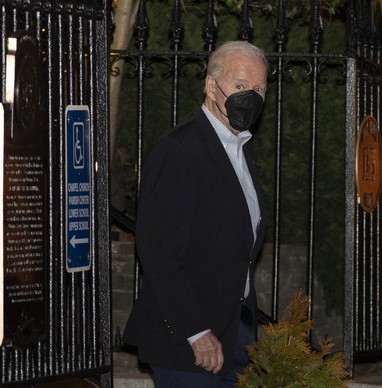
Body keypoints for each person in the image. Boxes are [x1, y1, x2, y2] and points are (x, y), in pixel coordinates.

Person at [123, 40, 268, 388]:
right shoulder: (179, 150)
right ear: (210, 86)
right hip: (190, 344)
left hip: (237, 335)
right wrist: (195, 331)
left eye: (259, 89)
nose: (250, 96)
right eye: (239, 86)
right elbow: (159, 251)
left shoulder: (241, 151)